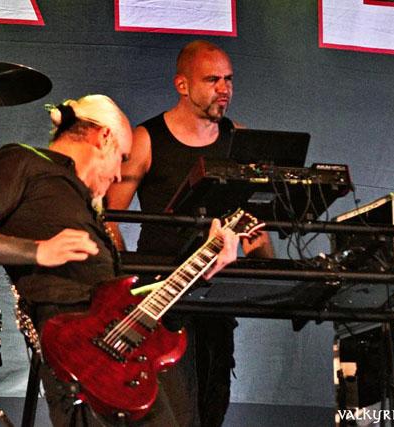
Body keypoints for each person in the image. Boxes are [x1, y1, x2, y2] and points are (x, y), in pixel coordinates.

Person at [0, 94, 243, 427]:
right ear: (103, 137)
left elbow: (127, 300)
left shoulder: (89, 212)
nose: (118, 176)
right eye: (121, 159)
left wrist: (204, 267)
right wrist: (38, 250)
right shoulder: (22, 160)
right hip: (79, 362)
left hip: (129, 364)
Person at [105, 41, 274, 426]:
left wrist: (270, 267)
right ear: (182, 85)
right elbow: (108, 217)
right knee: (172, 410)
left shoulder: (239, 138)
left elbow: (255, 225)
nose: (224, 89)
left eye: (228, 79)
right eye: (212, 80)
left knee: (212, 404)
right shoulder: (147, 138)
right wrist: (122, 287)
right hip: (162, 295)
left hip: (218, 295)